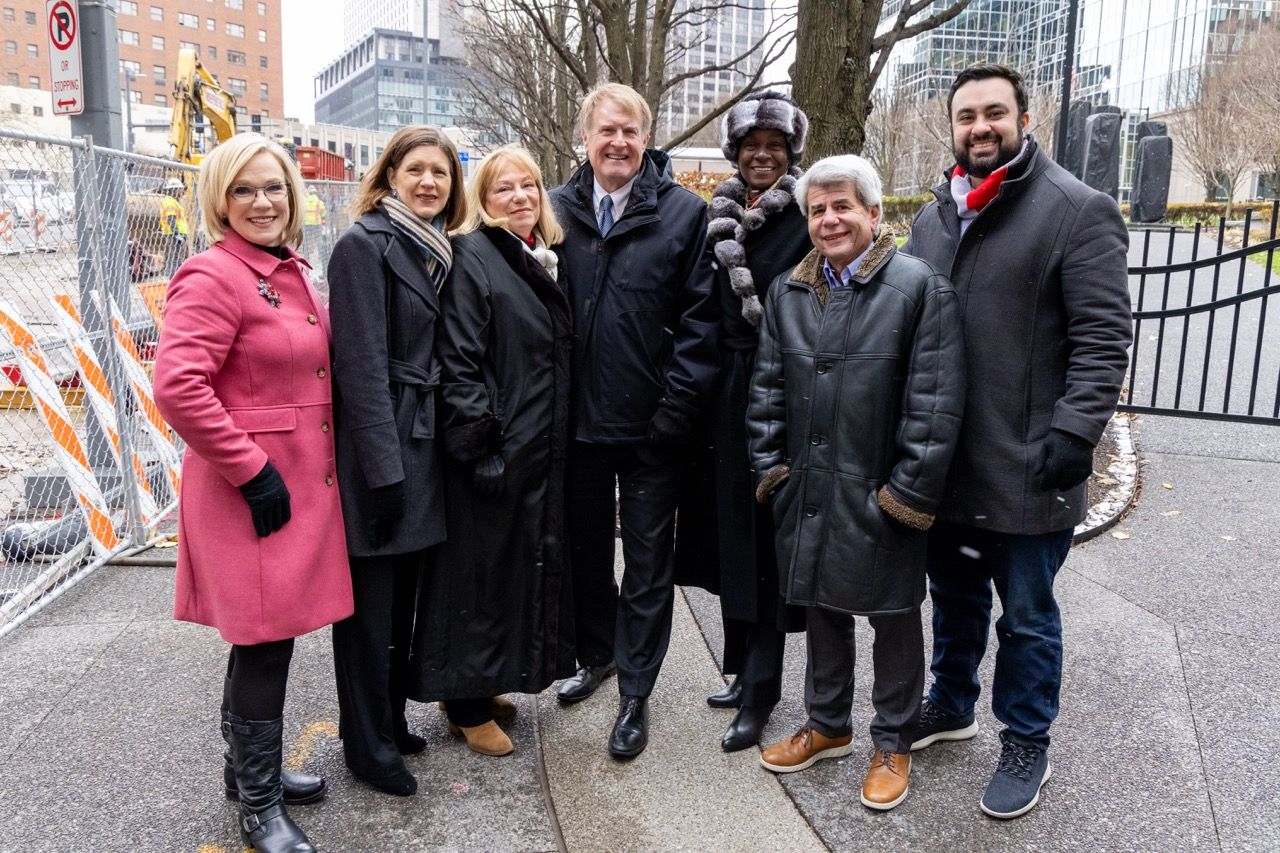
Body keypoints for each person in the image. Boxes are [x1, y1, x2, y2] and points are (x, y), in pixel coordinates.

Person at [903, 64, 1132, 819]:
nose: (980, 127)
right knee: (954, 595)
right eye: (967, 115)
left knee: (1027, 614)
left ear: (1024, 119)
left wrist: (1072, 436)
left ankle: (1026, 736)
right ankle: (952, 699)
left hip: (1030, 463)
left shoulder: (1076, 209)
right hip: (946, 463)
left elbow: (1103, 340)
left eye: (994, 113)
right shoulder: (936, 216)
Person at [154, 133, 353, 853]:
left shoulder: (282, 268)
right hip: (254, 491)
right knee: (263, 641)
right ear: (220, 201)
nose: (262, 201)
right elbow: (177, 386)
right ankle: (258, 807)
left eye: (272, 187)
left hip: (289, 483)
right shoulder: (213, 274)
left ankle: (247, 772)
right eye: (244, 190)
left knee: (269, 636)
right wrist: (251, 467)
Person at [748, 154, 965, 812]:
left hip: (880, 493)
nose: (829, 219)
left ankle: (893, 739)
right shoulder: (791, 291)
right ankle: (827, 723)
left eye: (842, 206)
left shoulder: (918, 287)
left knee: (894, 616)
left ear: (873, 213)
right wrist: (773, 474)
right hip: (808, 488)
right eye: (817, 209)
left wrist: (905, 494)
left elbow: (934, 406)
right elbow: (766, 392)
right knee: (821, 608)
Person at [550, 82, 718, 759]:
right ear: (585, 137)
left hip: (652, 430)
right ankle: (599, 654)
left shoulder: (684, 216)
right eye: (606, 130)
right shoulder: (555, 212)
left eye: (631, 131)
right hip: (578, 427)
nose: (618, 142)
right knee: (586, 553)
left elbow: (702, 326)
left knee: (648, 564)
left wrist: (672, 415)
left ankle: (637, 691)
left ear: (646, 140)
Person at [407, 145, 576, 756]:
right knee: (475, 578)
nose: (520, 197)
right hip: (494, 451)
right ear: (481, 199)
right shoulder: (475, 255)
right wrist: (480, 446)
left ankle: (476, 688)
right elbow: (460, 360)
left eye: (529, 185)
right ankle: (466, 701)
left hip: (530, 449)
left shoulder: (536, 258)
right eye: (503, 188)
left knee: (506, 572)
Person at [327, 125, 466, 797]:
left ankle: (389, 717)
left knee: (404, 601)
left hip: (425, 443)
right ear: (390, 176)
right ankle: (366, 745)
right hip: (382, 452)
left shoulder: (434, 250)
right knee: (368, 612)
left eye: (440, 172)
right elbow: (360, 367)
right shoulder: (365, 246)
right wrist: (382, 474)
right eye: (416, 170)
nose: (429, 182)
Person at [678, 91, 812, 752]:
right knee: (732, 539)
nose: (763, 156)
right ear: (735, 153)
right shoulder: (718, 215)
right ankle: (742, 668)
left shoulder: (807, 217)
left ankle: (762, 689)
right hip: (722, 397)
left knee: (765, 545)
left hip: (778, 397)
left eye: (775, 146)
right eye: (751, 145)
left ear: (790, 154)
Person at [158, 177, 189, 277]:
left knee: (176, 257)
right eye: (179, 190)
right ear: (174, 190)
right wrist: (177, 234)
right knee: (174, 258)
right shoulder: (170, 201)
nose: (181, 193)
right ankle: (173, 277)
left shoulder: (173, 201)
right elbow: (171, 218)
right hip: (174, 235)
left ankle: (174, 276)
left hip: (176, 234)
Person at [302, 185, 328, 269]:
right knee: (319, 241)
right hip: (316, 224)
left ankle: (306, 256)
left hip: (307, 225)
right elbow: (323, 213)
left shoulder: (304, 201)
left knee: (307, 242)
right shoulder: (318, 202)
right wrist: (323, 219)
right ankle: (321, 256)